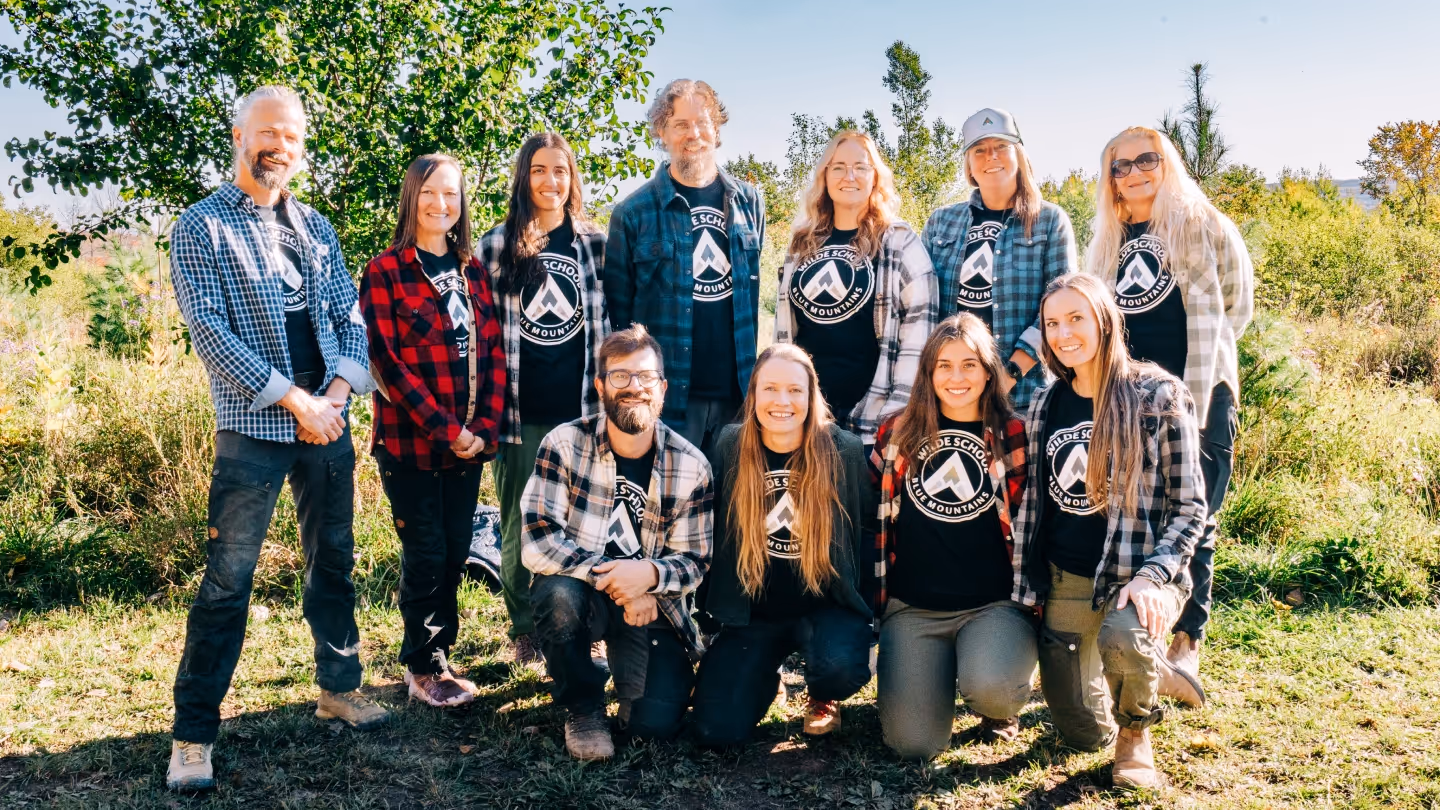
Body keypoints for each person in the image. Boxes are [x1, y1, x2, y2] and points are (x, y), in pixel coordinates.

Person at [166, 86, 386, 791]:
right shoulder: (201, 227)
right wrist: (294, 399)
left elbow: (350, 323)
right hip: (254, 427)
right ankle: (194, 734)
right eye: (266, 133)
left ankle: (339, 686)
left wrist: (336, 397)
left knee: (335, 564)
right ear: (238, 134)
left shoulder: (317, 228)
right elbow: (213, 335)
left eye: (290, 137)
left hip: (329, 420)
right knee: (228, 583)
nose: (278, 147)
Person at [1011, 274, 1206, 790]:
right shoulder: (1045, 403)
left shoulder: (1157, 395)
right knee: (1079, 731)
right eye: (1052, 323)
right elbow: (1035, 502)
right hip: (1068, 576)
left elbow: (1191, 508)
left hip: (1136, 574)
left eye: (1076, 318)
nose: (1063, 333)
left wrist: (1155, 577)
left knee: (1124, 632)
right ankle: (1145, 666)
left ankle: (1136, 733)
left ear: (1105, 319)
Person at [1084, 126, 1253, 703]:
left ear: (1167, 163)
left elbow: (1238, 306)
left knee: (1196, 520)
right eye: (1119, 166)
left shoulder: (1203, 225)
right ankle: (1135, 639)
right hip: (1129, 404)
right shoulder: (1107, 242)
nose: (1133, 173)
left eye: (1145, 160)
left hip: (1200, 396)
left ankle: (1185, 645)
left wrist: (1194, 377)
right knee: (1131, 512)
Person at [521, 325, 713, 760]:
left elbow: (696, 560)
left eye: (646, 377)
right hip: (584, 594)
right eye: (621, 376)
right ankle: (583, 707)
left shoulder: (691, 465)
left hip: (651, 608)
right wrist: (620, 580)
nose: (634, 388)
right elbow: (538, 539)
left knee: (651, 725)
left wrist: (648, 577)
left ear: (662, 387)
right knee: (558, 596)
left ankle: (628, 685)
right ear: (601, 385)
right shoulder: (564, 444)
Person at [360, 153, 506, 707]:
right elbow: (387, 364)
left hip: (470, 442)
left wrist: (485, 426)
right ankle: (424, 664)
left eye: (451, 194)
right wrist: (446, 429)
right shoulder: (385, 271)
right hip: (411, 442)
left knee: (457, 548)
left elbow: (493, 354)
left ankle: (442, 651)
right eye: (429, 193)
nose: (440, 204)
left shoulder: (474, 272)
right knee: (425, 550)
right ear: (411, 199)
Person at [871, 313, 1036, 759]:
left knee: (995, 688)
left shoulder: (1013, 434)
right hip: (913, 609)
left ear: (989, 371)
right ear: (928, 372)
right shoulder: (896, 432)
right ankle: (930, 677)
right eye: (944, 365)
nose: (956, 376)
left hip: (992, 605)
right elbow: (873, 511)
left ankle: (994, 698)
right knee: (913, 743)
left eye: (969, 364)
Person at [691, 344, 873, 745]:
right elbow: (713, 530)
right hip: (757, 612)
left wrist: (870, 607)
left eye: (795, 390)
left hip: (826, 606)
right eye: (770, 389)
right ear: (753, 393)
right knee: (714, 730)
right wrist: (707, 616)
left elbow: (866, 530)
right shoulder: (730, 445)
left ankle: (823, 695)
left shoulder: (844, 450)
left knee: (839, 667)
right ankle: (761, 678)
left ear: (812, 397)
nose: (782, 401)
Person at [480, 133, 609, 664]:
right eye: (538, 170)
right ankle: (525, 628)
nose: (550, 181)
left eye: (560, 170)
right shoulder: (496, 245)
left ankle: (587, 622)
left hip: (582, 408)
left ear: (572, 178)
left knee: (586, 520)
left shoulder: (596, 245)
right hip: (519, 410)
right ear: (523, 178)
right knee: (518, 521)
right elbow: (482, 335)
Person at [605, 78, 765, 455]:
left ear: (717, 128)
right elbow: (619, 317)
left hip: (738, 395)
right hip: (667, 398)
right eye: (680, 124)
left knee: (734, 510)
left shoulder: (749, 202)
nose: (693, 133)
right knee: (669, 509)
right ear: (662, 131)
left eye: (703, 122)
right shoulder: (632, 213)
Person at [774, 131, 938, 446]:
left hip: (872, 421)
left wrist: (896, 417)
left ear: (875, 177)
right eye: (838, 167)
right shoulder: (802, 242)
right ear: (824, 175)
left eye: (860, 167)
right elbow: (784, 331)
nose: (849, 176)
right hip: (805, 415)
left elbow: (919, 336)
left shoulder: (900, 242)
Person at [922, 108, 1077, 413]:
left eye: (1001, 147)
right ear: (968, 165)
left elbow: (1060, 308)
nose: (990, 156)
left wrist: (1009, 375)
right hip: (952, 393)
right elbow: (924, 308)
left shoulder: (1049, 221)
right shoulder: (941, 222)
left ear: (1019, 154)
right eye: (979, 150)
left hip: (1023, 397)